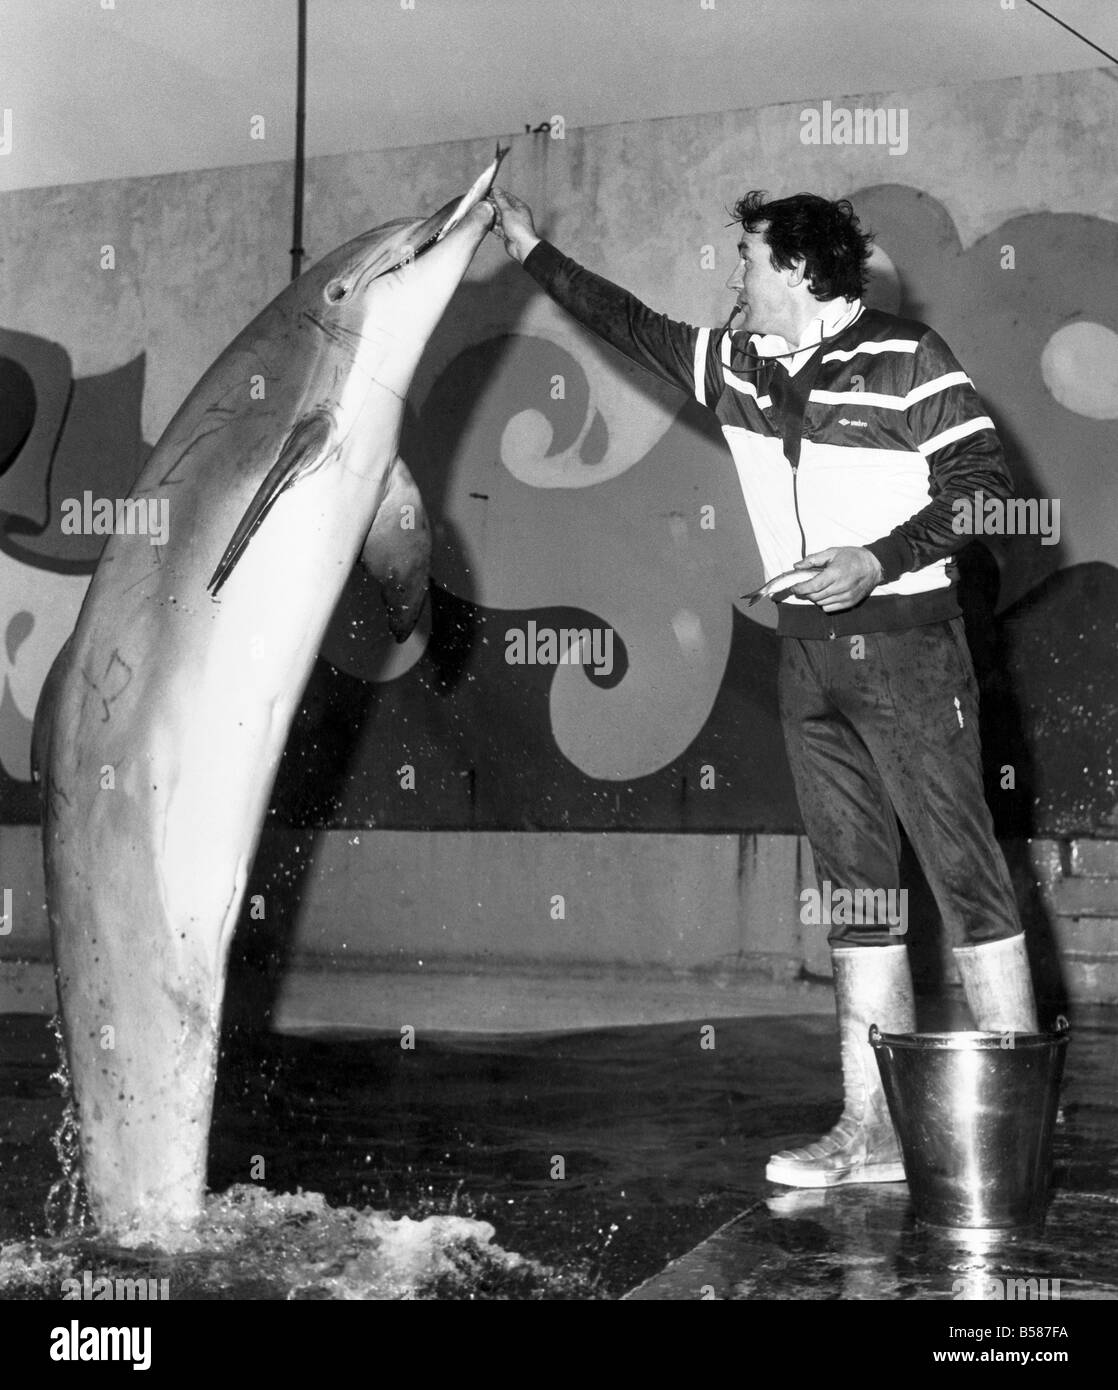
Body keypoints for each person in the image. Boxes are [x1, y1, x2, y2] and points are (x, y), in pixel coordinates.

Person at [487, 184, 1038, 1188]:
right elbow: (627, 323)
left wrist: (876, 559)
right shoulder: (735, 366)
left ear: (793, 267)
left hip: (909, 646)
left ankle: (1010, 1142)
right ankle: (871, 1130)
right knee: (858, 896)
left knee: (965, 881)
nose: (732, 275)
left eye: (745, 257)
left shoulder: (907, 357)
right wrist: (530, 252)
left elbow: (983, 486)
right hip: (806, 658)